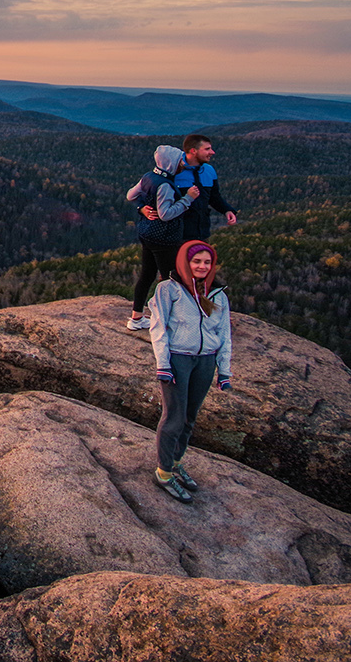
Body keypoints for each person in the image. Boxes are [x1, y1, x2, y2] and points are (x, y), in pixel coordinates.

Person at [148, 239, 232, 503]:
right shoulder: (168, 289)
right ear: (185, 261)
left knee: (190, 417)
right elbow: (158, 327)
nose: (202, 266)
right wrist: (163, 364)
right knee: (174, 416)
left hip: (205, 362)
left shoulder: (217, 294)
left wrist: (224, 370)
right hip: (178, 360)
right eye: (196, 261)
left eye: (207, 262)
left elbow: (224, 334)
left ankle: (175, 461)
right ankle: (163, 473)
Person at [124, 144, 199, 330]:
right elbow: (165, 215)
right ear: (170, 163)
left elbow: (130, 195)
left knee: (146, 276)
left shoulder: (149, 177)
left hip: (147, 234)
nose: (182, 163)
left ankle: (136, 318)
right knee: (170, 280)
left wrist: (141, 207)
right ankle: (169, 322)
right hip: (163, 238)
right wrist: (187, 199)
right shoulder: (165, 185)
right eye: (179, 160)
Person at [173, 133, 237, 242]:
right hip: (178, 236)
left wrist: (227, 210)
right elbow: (149, 190)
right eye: (207, 149)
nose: (212, 152)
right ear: (193, 151)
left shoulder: (209, 170)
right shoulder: (173, 171)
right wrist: (142, 208)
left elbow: (214, 197)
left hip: (202, 234)